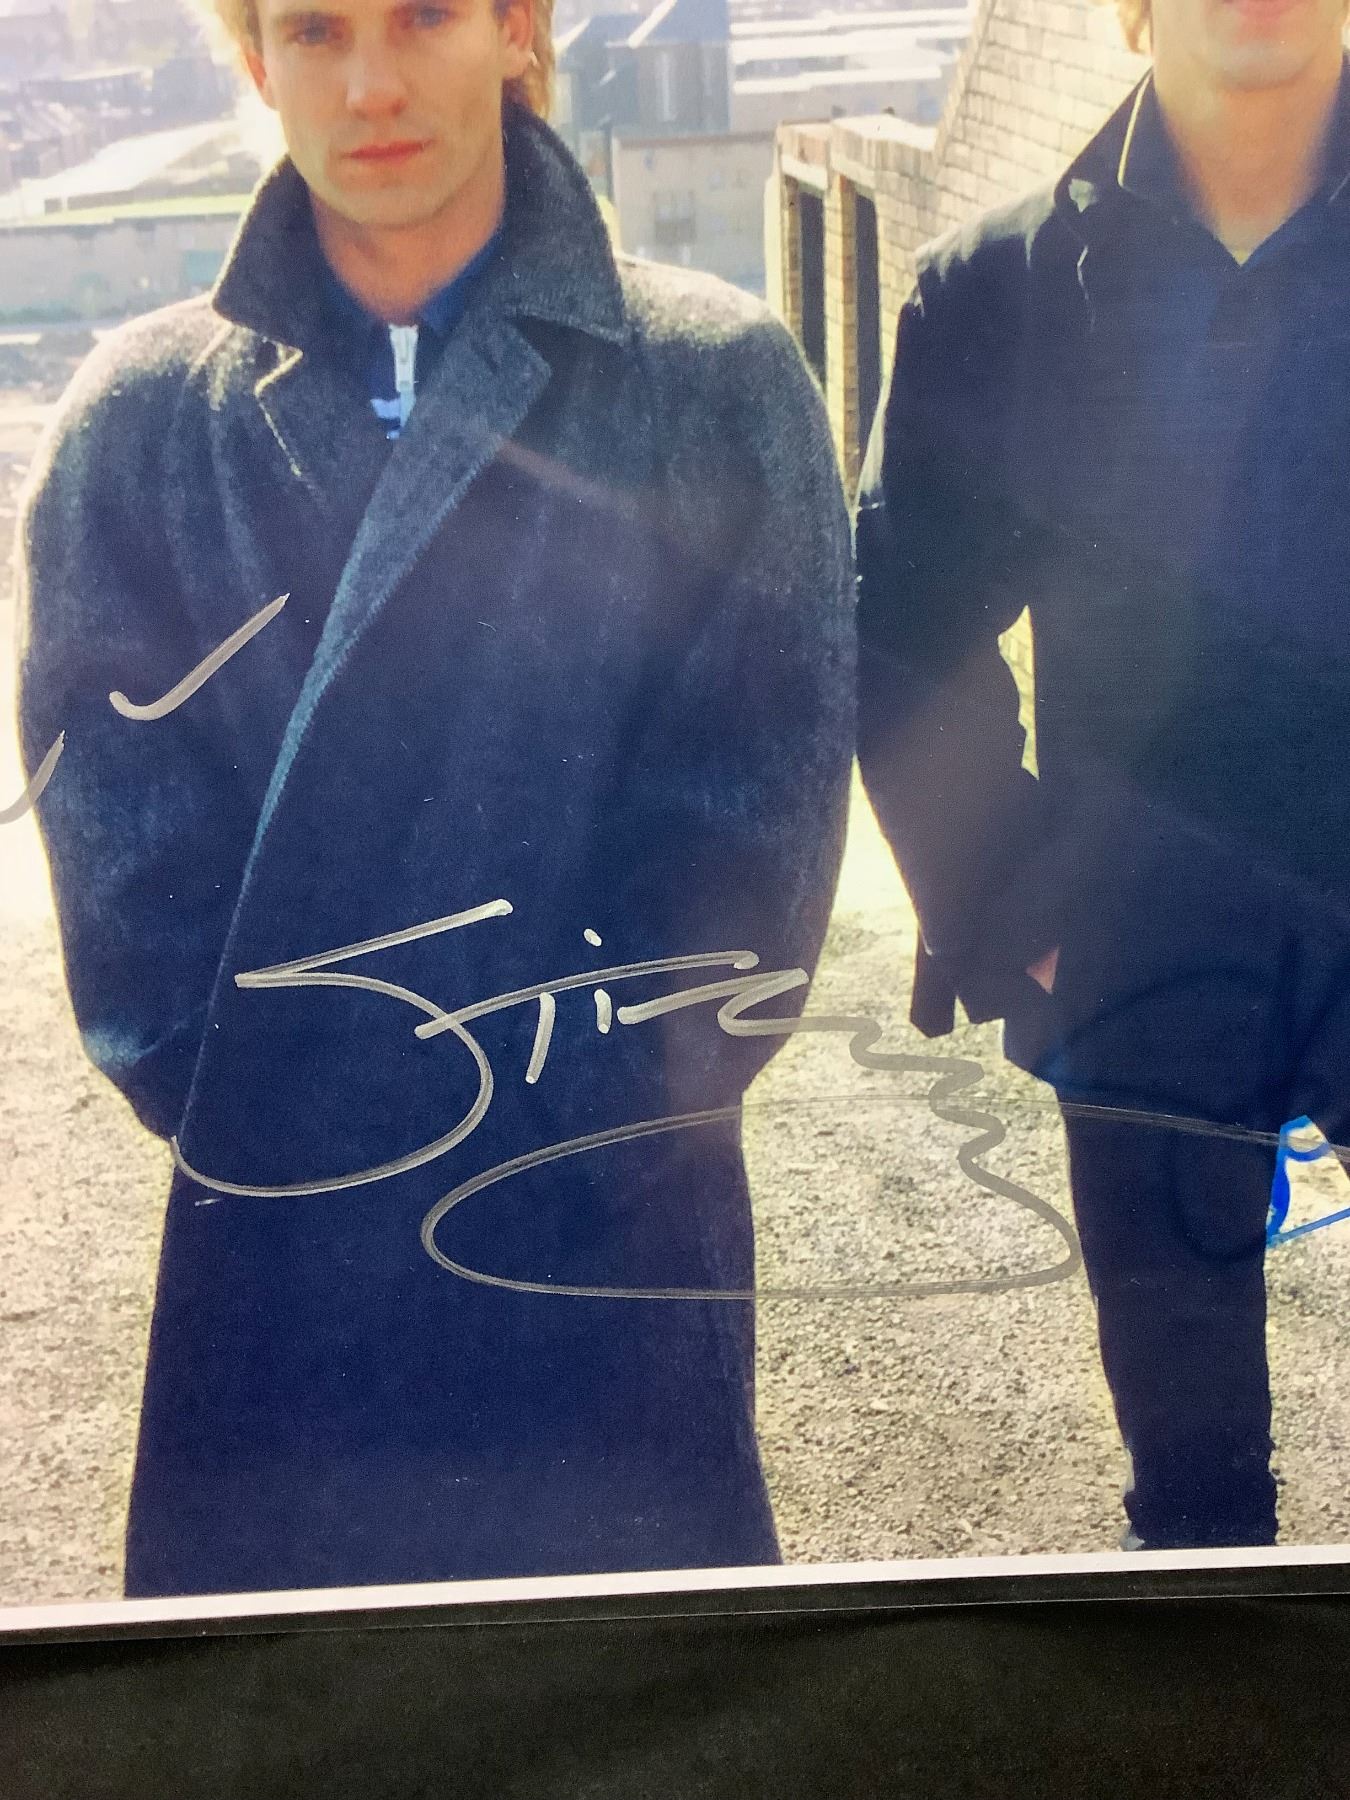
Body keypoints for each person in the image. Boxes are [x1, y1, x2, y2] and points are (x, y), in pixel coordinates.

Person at [15, 0, 854, 1596]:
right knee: (296, 1706)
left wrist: (561, 1136)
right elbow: (132, 905)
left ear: (518, 27)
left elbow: (747, 865)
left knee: (635, 1705)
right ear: (253, 61)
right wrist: (290, 1130)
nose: (373, 82)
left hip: (606, 1246)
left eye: (422, 15)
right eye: (315, 30)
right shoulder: (137, 427)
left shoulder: (711, 384)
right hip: (281, 1256)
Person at [856, 0, 1350, 1550]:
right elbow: (902, 628)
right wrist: (1011, 906)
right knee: (1195, 1514)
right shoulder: (995, 285)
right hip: (1138, 947)